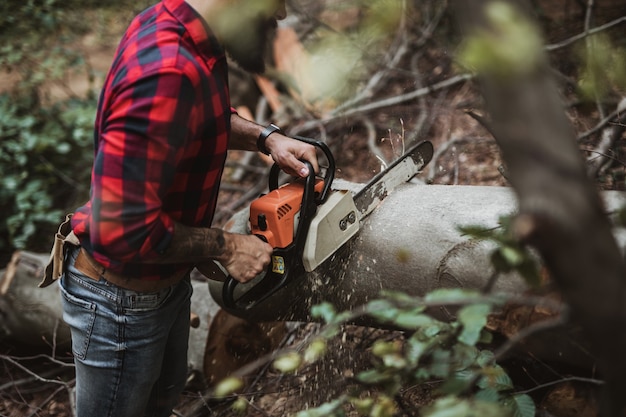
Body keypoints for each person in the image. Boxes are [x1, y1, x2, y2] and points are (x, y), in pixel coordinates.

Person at [48, 0, 319, 416]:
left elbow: (199, 115)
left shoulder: (184, 34)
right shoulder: (167, 70)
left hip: (162, 285)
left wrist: (267, 138)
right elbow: (124, 228)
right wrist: (226, 247)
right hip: (121, 305)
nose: (280, 15)